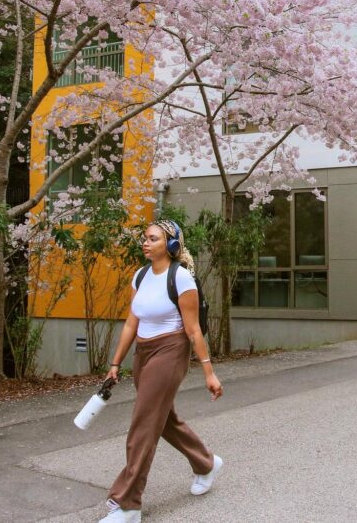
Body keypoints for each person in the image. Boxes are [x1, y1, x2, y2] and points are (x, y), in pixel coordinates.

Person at [101, 220, 224, 523]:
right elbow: (132, 321)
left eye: (153, 239)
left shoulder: (181, 278)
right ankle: (206, 463)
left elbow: (194, 330)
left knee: (143, 424)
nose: (145, 243)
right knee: (162, 419)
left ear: (170, 246)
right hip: (144, 353)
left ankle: (128, 504)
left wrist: (209, 372)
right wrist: (115, 363)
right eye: (144, 238)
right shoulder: (140, 275)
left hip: (170, 353)